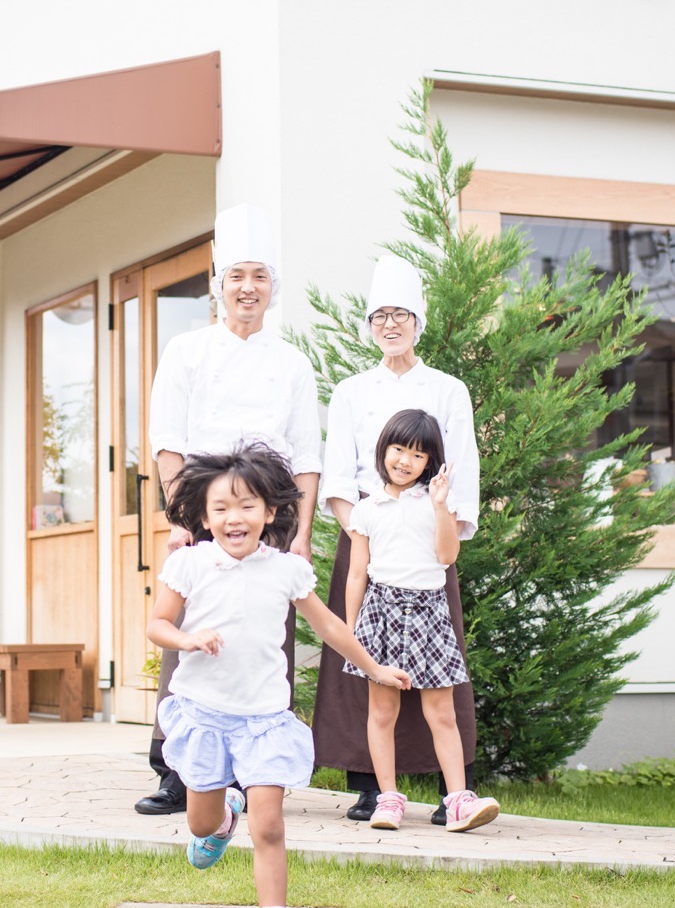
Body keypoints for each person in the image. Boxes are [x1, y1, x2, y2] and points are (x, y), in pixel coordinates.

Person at [148, 445, 411, 907]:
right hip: (204, 713)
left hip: (264, 719)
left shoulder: (287, 570)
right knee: (200, 825)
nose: (236, 517)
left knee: (269, 825)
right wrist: (187, 640)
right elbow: (158, 625)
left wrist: (375, 669)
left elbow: (329, 625)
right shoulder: (189, 564)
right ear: (205, 519)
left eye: (248, 505)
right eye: (222, 508)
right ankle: (224, 815)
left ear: (269, 512)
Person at [136, 204, 322, 816]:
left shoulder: (293, 363)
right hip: (203, 509)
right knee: (188, 630)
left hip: (272, 512)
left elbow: (307, 457)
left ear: (273, 289)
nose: (248, 288)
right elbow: (168, 442)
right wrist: (182, 523)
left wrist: (301, 536)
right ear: (218, 285)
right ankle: (176, 768)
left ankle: (257, 767)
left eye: (260, 277)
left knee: (267, 633)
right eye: (237, 276)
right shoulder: (187, 351)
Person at [314, 253, 483, 823]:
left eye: (401, 315)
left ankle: (451, 793)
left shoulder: (448, 388)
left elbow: (463, 469)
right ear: (369, 325)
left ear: (419, 322)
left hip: (429, 543)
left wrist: (437, 526)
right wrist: (367, 526)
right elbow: (338, 472)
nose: (390, 325)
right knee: (365, 674)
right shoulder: (349, 390)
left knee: (441, 676)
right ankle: (370, 787)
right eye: (380, 315)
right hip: (368, 534)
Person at [343, 408, 499, 832]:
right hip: (380, 610)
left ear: (430, 462)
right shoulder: (367, 508)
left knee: (442, 712)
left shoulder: (437, 503)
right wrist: (351, 630)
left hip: (430, 609)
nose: (405, 461)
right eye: (399, 449)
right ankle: (388, 799)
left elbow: (448, 557)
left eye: (417, 455)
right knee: (381, 712)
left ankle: (458, 803)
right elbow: (358, 572)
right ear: (384, 450)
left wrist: (442, 506)